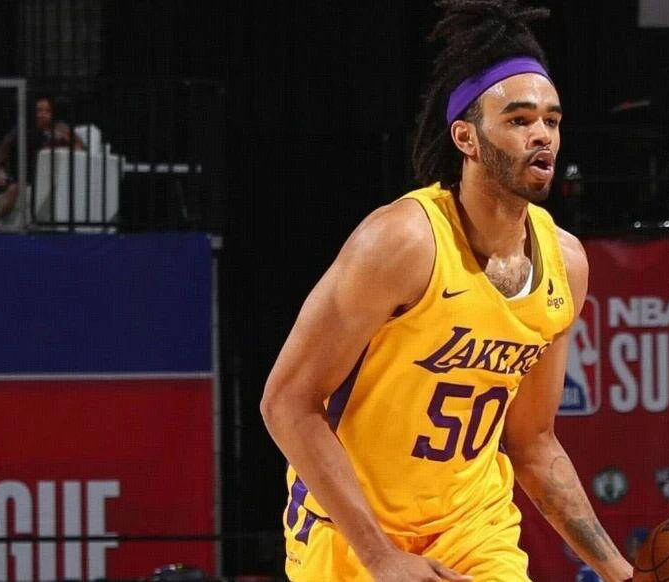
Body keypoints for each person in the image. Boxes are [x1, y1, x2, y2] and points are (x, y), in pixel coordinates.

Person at [260, 1, 634, 580]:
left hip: (473, 527)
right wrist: (382, 557)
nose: (542, 135)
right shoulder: (403, 242)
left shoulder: (566, 264)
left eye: (552, 121)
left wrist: (619, 572)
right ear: (466, 137)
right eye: (518, 120)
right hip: (353, 532)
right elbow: (286, 402)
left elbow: (533, 442)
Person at [0, 95, 82, 224]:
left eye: (47, 111)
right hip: (13, 172)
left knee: (14, 188)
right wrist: (0, 171)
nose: (43, 114)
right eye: (39, 110)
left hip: (34, 175)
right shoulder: (23, 128)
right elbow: (3, 149)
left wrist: (62, 140)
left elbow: (80, 147)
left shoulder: (59, 128)